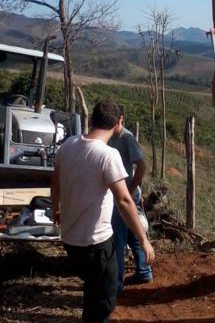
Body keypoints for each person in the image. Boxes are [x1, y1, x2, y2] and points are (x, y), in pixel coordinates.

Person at [51, 101, 154, 323]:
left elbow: (55, 181)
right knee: (103, 302)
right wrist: (143, 239)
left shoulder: (68, 145)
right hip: (96, 244)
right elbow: (124, 201)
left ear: (91, 120)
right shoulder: (108, 155)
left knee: (92, 289)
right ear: (118, 124)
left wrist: (55, 208)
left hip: (70, 240)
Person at [109, 113, 153, 292]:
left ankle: (117, 283)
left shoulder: (126, 138)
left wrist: (130, 189)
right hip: (121, 194)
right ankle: (144, 271)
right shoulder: (111, 136)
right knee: (133, 235)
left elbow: (141, 167)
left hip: (124, 195)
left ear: (121, 118)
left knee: (118, 238)